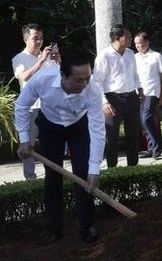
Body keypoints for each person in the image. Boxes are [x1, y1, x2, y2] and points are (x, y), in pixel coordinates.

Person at [15, 50, 105, 245]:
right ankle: (53, 227)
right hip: (50, 126)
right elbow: (21, 105)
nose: (84, 85)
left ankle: (86, 226)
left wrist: (95, 169)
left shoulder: (93, 90)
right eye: (78, 80)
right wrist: (24, 139)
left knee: (83, 175)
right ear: (63, 75)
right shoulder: (42, 79)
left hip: (78, 127)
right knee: (52, 176)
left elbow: (98, 131)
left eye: (87, 79)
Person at [11, 23, 60, 180]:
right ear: (26, 39)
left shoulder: (46, 55)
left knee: (51, 144)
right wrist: (41, 61)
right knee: (28, 146)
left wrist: (59, 60)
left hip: (48, 107)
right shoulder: (18, 58)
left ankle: (53, 176)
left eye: (41, 38)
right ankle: (30, 180)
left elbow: (61, 76)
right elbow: (24, 76)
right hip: (30, 108)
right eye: (35, 38)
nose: (39, 41)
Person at [93, 24, 142, 168]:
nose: (131, 39)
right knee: (111, 136)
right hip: (112, 98)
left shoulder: (130, 53)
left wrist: (140, 89)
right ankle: (112, 168)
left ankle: (133, 166)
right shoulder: (104, 56)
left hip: (131, 97)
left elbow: (134, 74)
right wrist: (104, 102)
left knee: (133, 134)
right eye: (127, 36)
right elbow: (96, 81)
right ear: (117, 38)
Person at [134, 32, 162, 159]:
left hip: (153, 91)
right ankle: (151, 147)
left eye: (140, 43)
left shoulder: (156, 56)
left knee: (146, 118)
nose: (138, 46)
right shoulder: (134, 57)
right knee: (141, 121)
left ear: (147, 42)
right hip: (139, 93)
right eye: (136, 44)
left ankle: (157, 147)